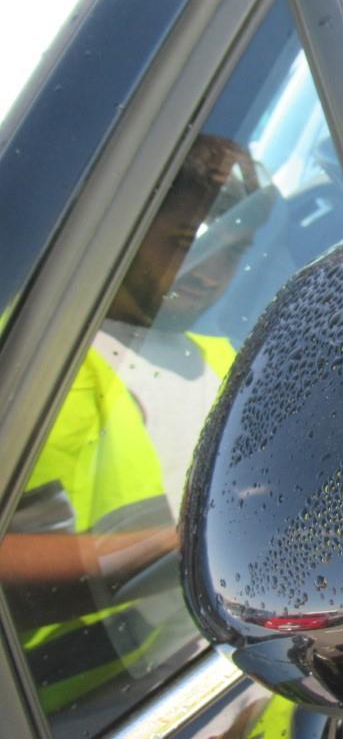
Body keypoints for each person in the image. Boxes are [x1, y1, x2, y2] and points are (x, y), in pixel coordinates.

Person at [0, 134, 264, 715]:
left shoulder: (230, 361)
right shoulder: (29, 353)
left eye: (235, 251)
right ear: (129, 225)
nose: (211, 272)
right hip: (86, 709)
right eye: (188, 243)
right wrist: (184, 551)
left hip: (232, 689)